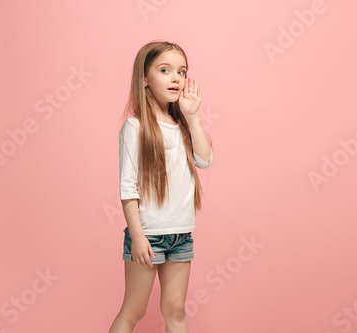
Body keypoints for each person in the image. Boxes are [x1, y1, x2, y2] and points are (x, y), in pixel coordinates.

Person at [109, 40, 214, 333]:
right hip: (149, 235)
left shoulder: (183, 124)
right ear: (144, 78)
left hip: (181, 234)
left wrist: (192, 116)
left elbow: (205, 161)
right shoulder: (136, 127)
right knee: (134, 310)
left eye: (181, 72)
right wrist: (138, 238)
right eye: (165, 70)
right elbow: (127, 189)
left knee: (176, 311)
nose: (175, 78)